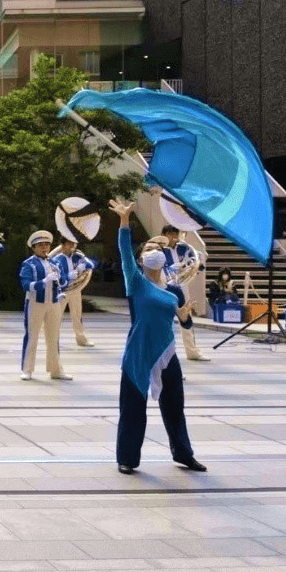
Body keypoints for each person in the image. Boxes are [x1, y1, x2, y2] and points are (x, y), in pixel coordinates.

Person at [109, 198, 205, 475]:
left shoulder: (173, 290)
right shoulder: (136, 282)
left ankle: (184, 454)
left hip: (167, 352)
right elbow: (124, 251)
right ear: (141, 258)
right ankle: (127, 458)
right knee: (132, 408)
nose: (156, 251)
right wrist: (125, 221)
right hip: (138, 352)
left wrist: (186, 318)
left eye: (160, 248)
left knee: (175, 406)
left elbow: (184, 325)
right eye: (150, 248)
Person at [19, 230, 72, 381]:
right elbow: (25, 285)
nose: (44, 248)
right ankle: (27, 369)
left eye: (47, 245)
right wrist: (43, 282)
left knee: (53, 338)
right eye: (41, 245)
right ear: (34, 247)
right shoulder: (29, 263)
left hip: (54, 302)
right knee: (32, 337)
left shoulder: (54, 262)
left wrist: (62, 279)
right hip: (35, 303)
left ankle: (56, 370)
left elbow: (63, 283)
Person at [161, 225, 210, 361]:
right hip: (165, 288)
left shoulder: (184, 248)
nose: (173, 237)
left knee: (186, 318)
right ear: (163, 235)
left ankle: (192, 352)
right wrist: (175, 268)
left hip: (182, 286)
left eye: (175, 234)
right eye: (169, 234)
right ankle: (166, 354)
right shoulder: (158, 250)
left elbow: (196, 264)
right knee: (165, 321)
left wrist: (197, 263)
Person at [52, 237, 97, 347]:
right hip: (62, 291)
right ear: (62, 245)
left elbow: (92, 264)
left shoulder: (78, 256)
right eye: (69, 243)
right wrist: (68, 276)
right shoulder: (56, 259)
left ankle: (81, 339)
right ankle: (52, 339)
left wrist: (84, 265)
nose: (72, 245)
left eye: (73, 243)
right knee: (57, 315)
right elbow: (57, 276)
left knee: (77, 315)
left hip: (76, 290)